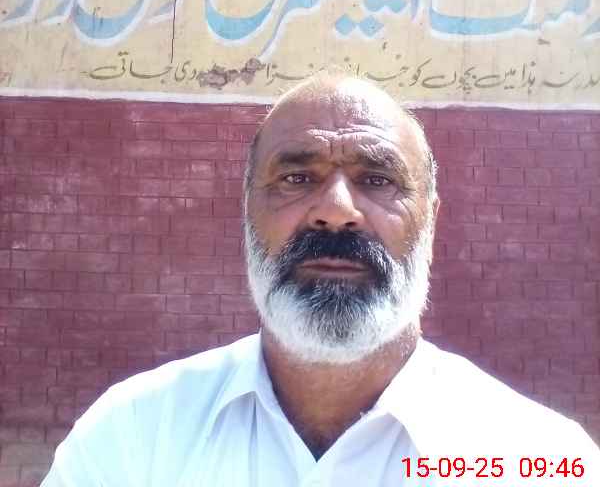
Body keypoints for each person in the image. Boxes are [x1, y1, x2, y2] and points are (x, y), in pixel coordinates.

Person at [41, 75, 600, 486]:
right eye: (296, 178)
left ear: (430, 222)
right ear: (247, 214)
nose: (335, 212)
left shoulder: (536, 457)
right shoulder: (133, 437)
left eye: (377, 179)